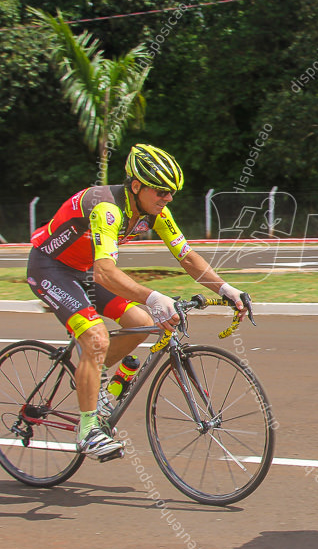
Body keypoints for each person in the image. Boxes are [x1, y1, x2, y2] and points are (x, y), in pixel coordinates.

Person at [26, 144, 250, 461]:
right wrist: (155, 297)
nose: (168, 198)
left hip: (83, 271)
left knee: (142, 324)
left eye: (171, 192)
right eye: (161, 191)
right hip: (50, 268)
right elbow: (104, 272)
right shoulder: (107, 208)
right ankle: (88, 431)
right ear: (136, 186)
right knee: (95, 337)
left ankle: (93, 379)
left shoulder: (154, 213)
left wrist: (228, 290)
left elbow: (187, 257)